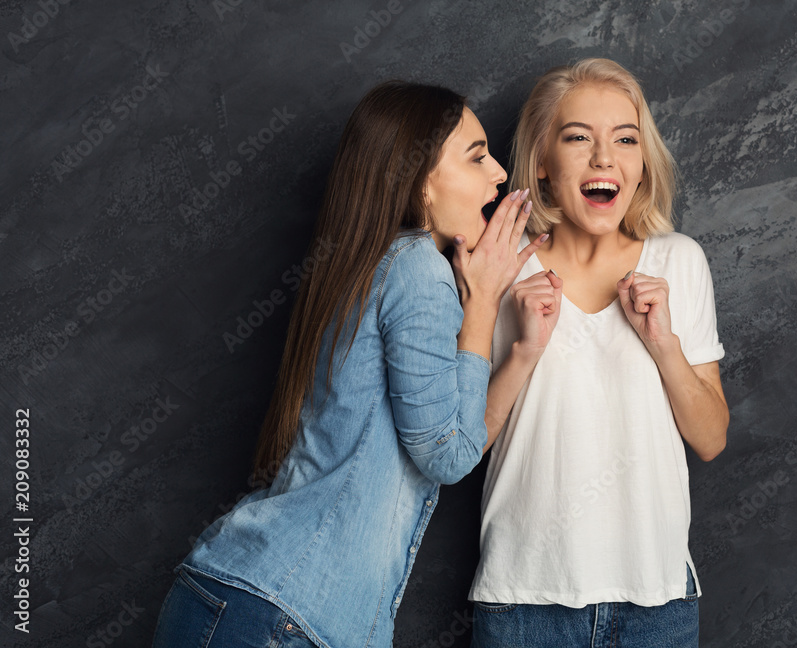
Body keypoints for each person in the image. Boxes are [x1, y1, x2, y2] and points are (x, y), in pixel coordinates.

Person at [151, 81, 556, 648]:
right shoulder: (419, 269)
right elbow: (447, 455)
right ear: (421, 183)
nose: (499, 174)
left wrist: (523, 353)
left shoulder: (371, 262)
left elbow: (451, 437)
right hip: (282, 615)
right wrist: (483, 304)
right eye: (477, 156)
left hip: (243, 599)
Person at [468, 58, 730, 648]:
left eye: (626, 140)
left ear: (642, 164)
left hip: (657, 605)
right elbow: (461, 447)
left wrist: (663, 345)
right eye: (578, 138)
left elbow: (711, 438)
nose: (604, 159)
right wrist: (524, 351)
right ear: (542, 161)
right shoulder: (499, 266)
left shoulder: (680, 261)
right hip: (523, 603)